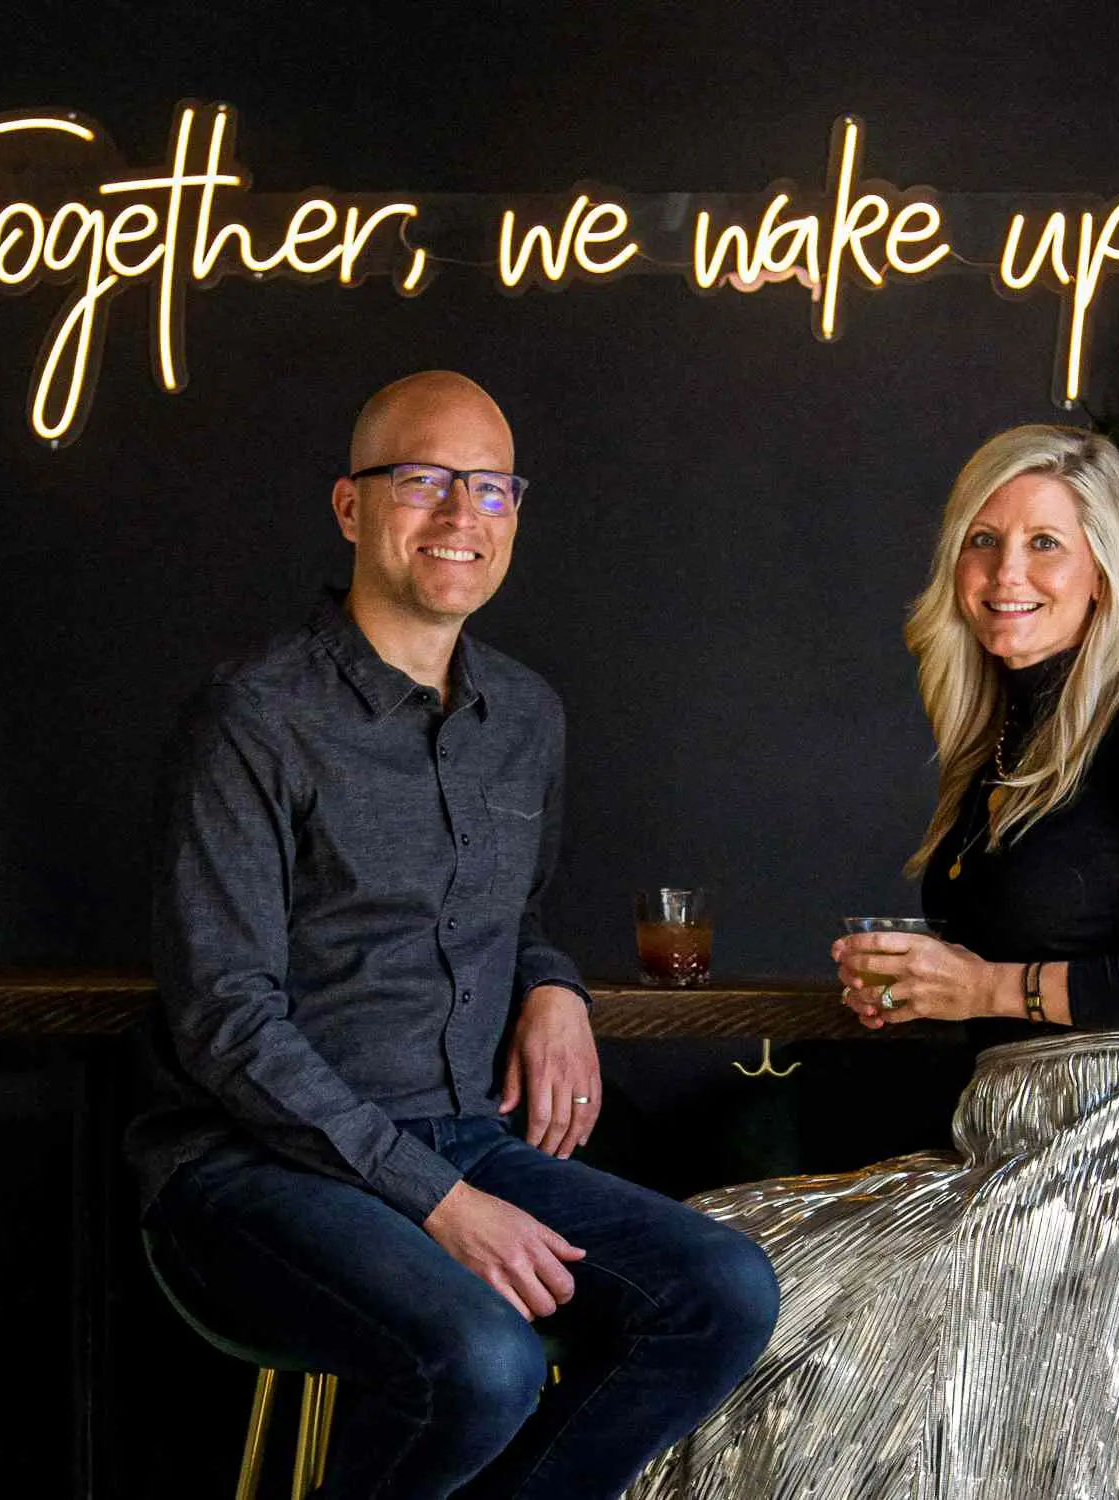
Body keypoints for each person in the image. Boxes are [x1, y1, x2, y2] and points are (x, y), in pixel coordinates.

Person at [126, 371, 778, 1500]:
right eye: (422, 480)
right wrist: (434, 1198)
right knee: (484, 1361)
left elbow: (508, 913)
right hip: (248, 1166)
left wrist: (553, 985)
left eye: (489, 488)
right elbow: (224, 1019)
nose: (459, 515)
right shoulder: (253, 716)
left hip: (464, 1137)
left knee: (722, 1290)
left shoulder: (525, 716)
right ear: (349, 507)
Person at [626, 424, 1119, 1500]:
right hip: (999, 1146)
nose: (1007, 573)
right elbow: (1027, 961)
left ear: (1102, 570)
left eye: (1045, 544)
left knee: (828, 1356)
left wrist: (987, 987)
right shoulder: (994, 745)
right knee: (706, 1260)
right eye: (982, 540)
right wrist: (921, 994)